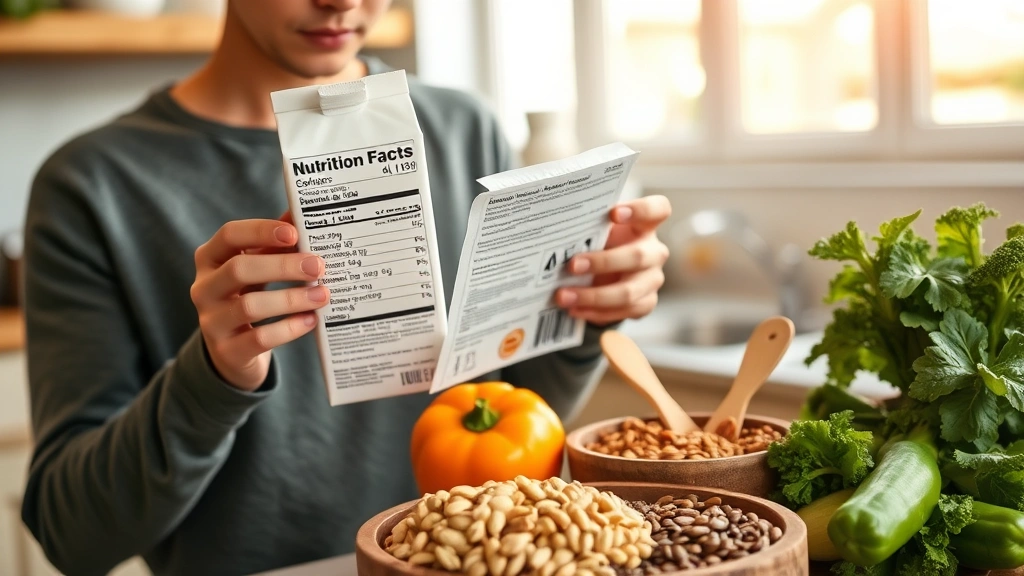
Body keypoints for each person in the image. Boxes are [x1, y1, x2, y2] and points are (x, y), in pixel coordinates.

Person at [19, 1, 671, 574]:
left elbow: (512, 421)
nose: (341, 2)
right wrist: (214, 377)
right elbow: (72, 538)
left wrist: (582, 313)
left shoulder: (462, 130)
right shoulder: (94, 185)